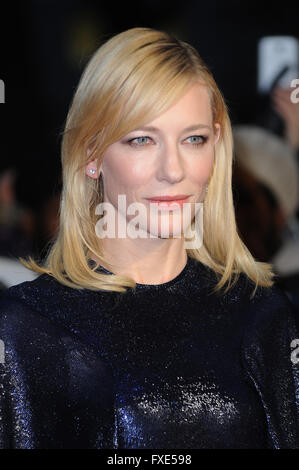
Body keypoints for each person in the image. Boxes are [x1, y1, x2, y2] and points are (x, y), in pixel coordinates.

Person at [0, 27, 298, 449]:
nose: (173, 170)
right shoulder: (25, 328)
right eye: (142, 139)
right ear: (91, 154)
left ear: (216, 148)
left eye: (193, 139)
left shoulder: (265, 317)